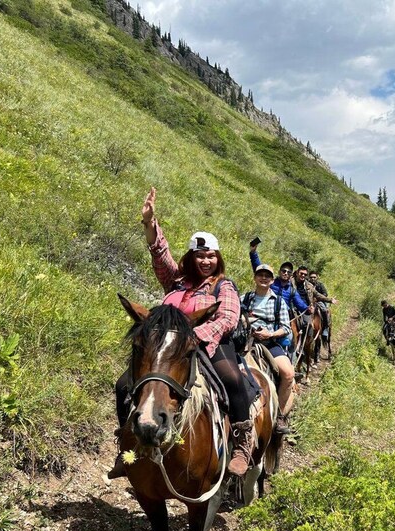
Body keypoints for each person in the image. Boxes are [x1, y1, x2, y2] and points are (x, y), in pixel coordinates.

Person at [109, 187, 255, 479]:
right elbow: (160, 256)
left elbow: (227, 317)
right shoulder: (177, 281)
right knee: (125, 385)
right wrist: (151, 223)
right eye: (200, 256)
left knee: (233, 380)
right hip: (169, 347)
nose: (205, 261)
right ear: (191, 257)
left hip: (208, 344)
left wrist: (196, 336)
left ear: (218, 259)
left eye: (211, 256)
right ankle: (127, 444)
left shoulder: (222, 286)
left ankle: (241, 444)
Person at [242, 264, 295, 434]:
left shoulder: (279, 301)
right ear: (255, 277)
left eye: (267, 276)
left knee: (288, 373)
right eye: (260, 275)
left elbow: (286, 327)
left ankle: (279, 415)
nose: (263, 278)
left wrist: (270, 334)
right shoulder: (245, 298)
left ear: (272, 280)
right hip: (246, 341)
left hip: (269, 343)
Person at [309, 271, 335, 337]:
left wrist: (318, 298)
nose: (313, 279)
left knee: (324, 310)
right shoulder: (307, 284)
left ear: (317, 277)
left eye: (314, 277)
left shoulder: (320, 285)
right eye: (311, 277)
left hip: (319, 301)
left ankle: (325, 328)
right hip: (309, 301)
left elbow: (325, 293)